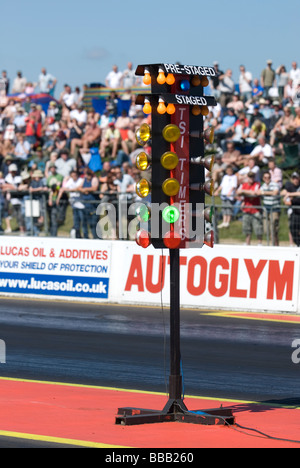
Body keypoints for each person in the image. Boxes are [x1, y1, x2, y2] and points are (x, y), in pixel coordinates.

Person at [236, 171, 263, 245]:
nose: (251, 178)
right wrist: (248, 192)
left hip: (256, 209)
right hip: (246, 210)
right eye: (250, 176)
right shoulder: (244, 184)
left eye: (253, 177)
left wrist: (244, 192)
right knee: (247, 228)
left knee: (258, 228)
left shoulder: (257, 184)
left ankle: (259, 243)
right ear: (247, 177)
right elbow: (238, 192)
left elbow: (255, 193)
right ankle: (247, 242)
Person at [57, 170, 85, 238]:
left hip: (82, 204)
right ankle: (77, 236)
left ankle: (85, 235)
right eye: (72, 176)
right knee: (76, 222)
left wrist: (69, 190)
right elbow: (63, 188)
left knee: (83, 221)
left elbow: (78, 188)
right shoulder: (70, 181)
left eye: (75, 176)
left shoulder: (81, 180)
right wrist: (58, 198)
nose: (74, 177)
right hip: (74, 205)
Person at [257, 171, 281, 245]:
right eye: (265, 177)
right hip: (266, 209)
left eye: (268, 177)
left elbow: (275, 193)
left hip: (274, 209)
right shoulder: (263, 185)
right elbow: (258, 192)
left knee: (273, 229)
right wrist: (267, 192)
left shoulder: (275, 184)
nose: (267, 179)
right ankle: (271, 245)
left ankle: (274, 246)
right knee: (266, 229)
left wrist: (264, 193)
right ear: (263, 178)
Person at [77, 168, 99, 239]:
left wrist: (85, 189)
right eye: (86, 174)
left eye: (88, 174)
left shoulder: (94, 179)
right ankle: (86, 237)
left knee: (94, 223)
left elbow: (94, 188)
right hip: (85, 204)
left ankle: (96, 238)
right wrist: (83, 190)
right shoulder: (84, 179)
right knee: (85, 222)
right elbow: (79, 187)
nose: (87, 176)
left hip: (93, 205)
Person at [281, 172, 300, 246]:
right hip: (295, 212)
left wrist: (290, 194)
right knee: (293, 229)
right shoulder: (290, 187)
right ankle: (298, 244)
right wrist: (286, 198)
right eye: (294, 178)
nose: (295, 180)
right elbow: (283, 193)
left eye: (297, 178)